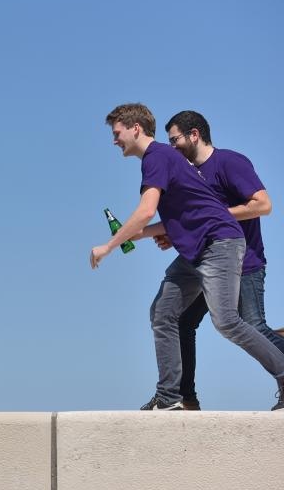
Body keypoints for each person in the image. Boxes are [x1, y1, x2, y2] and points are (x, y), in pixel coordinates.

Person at [91, 103, 284, 411]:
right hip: (195, 250)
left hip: (221, 246)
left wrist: (109, 245)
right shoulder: (170, 159)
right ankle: (171, 397)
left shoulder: (159, 157)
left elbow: (145, 210)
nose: (114, 141)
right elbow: (178, 216)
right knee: (164, 313)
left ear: (135, 128)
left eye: (117, 133)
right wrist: (140, 235)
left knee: (230, 323)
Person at [152, 111, 284, 410]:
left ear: (194, 135)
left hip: (243, 262)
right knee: (181, 320)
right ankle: (184, 397)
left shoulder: (229, 162)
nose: (171, 147)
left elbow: (263, 205)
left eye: (175, 140)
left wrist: (213, 216)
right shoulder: (188, 174)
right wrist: (175, 234)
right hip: (203, 263)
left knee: (252, 326)